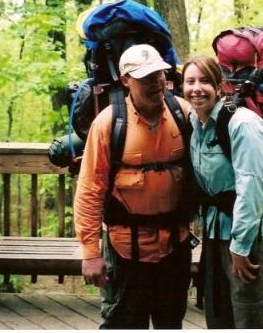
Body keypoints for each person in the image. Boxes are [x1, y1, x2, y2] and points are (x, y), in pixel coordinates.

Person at [74, 44, 194, 329]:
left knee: (170, 322)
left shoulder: (183, 114)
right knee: (124, 324)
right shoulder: (108, 124)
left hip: (174, 247)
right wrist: (90, 253)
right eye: (145, 78)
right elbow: (89, 191)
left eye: (159, 75)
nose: (156, 83)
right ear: (126, 80)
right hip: (125, 249)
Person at [182, 54, 263, 329]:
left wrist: (240, 246)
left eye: (205, 81)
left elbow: (253, 188)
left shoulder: (243, 125)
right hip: (214, 235)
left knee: (250, 318)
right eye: (190, 81)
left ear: (221, 86)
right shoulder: (195, 122)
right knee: (218, 316)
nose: (196, 88)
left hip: (247, 239)